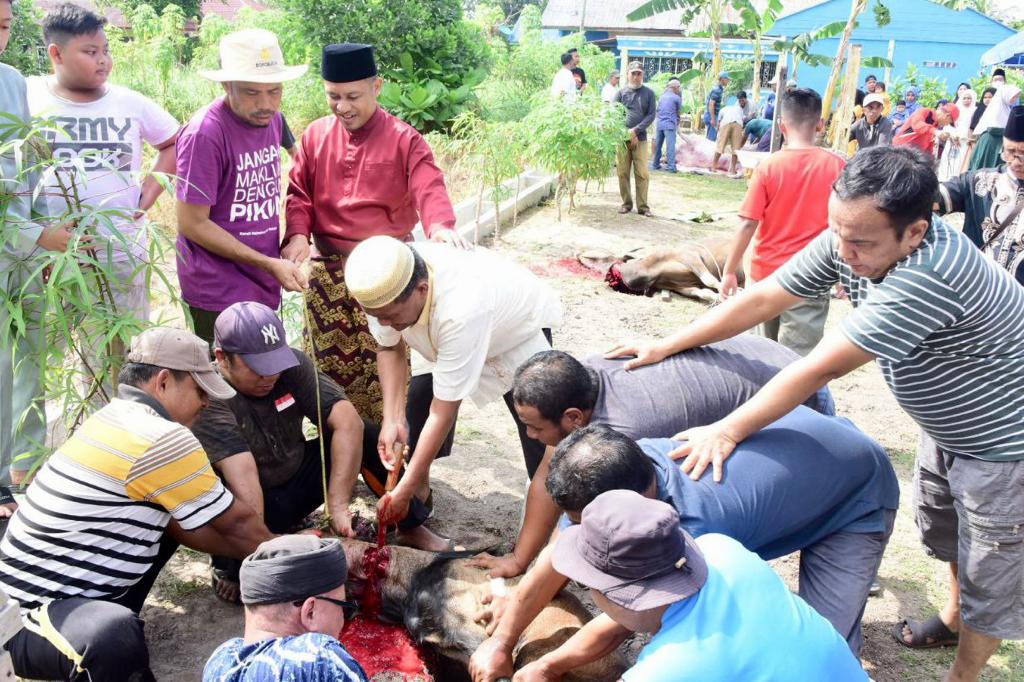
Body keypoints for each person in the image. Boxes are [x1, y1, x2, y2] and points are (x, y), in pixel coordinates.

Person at [607, 145, 1024, 682]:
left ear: (915, 232)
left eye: (860, 243)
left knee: (989, 563)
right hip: (946, 424)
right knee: (945, 532)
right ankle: (950, 615)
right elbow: (764, 299)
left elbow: (817, 369)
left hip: (1002, 441)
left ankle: (962, 676)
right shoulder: (856, 234)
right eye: (838, 233)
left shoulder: (929, 275)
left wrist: (728, 428)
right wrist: (667, 344)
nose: (843, 251)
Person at [475, 414, 896, 677]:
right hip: (811, 447)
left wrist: (549, 664)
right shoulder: (624, 471)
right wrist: (503, 640)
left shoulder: (704, 525)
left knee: (833, 642)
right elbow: (566, 560)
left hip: (855, 492)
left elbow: (630, 615)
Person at [0, 327, 273, 682]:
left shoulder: (113, 417)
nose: (207, 402)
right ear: (162, 383)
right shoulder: (161, 436)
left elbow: (188, 526)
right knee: (111, 637)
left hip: (65, 592)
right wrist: (301, 555)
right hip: (24, 621)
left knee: (189, 504)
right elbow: (238, 526)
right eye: (200, 391)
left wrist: (267, 551)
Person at [470, 335, 835, 580]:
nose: (530, 436)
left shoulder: (625, 431)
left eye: (534, 428)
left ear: (573, 419)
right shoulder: (575, 381)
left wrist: (538, 581)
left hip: (794, 392)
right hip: (763, 353)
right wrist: (518, 560)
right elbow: (546, 478)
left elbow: (585, 522)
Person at [193, 303, 453, 603]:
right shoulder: (210, 396)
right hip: (248, 500)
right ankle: (237, 562)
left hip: (295, 474)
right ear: (222, 358)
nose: (270, 376)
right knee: (234, 526)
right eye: (258, 368)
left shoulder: (292, 366)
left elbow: (346, 422)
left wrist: (338, 504)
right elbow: (243, 474)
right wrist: (263, 544)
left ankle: (410, 526)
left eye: (275, 364)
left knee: (367, 433)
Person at [284, 43, 460, 424]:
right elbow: (298, 193)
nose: (342, 106)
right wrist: (297, 234)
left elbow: (429, 187)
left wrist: (441, 228)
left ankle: (386, 462)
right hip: (328, 275)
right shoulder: (314, 137)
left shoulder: (404, 139)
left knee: (387, 373)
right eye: (333, 96)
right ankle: (336, 454)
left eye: (353, 96)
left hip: (388, 276)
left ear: (377, 87)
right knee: (325, 376)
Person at [343, 236, 561, 537]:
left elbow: (443, 411)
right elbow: (389, 348)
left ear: (422, 290)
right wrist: (392, 420)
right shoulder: (384, 286)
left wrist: (401, 490)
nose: (386, 323)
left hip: (515, 335)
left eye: (391, 317)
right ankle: (418, 511)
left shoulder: (462, 307)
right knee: (413, 422)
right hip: (436, 336)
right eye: (379, 316)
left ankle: (545, 532)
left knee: (540, 434)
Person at [533, 490, 868, 681]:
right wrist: (548, 664)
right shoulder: (720, 550)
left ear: (615, 594)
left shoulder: (665, 672)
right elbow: (619, 620)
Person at [29, 3, 178, 325]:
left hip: (123, 250)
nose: (103, 60)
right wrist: (35, 233)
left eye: (106, 50)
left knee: (127, 342)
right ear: (56, 54)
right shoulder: (29, 98)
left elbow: (174, 142)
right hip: (56, 253)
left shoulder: (130, 102)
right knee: (71, 346)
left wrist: (147, 195)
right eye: (90, 51)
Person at [174, 29, 309, 343]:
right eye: (251, 92)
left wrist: (293, 239)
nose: (265, 103)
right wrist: (267, 263)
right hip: (218, 289)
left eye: (274, 91)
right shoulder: (205, 134)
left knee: (265, 378)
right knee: (225, 386)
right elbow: (192, 223)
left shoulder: (272, 120)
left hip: (263, 279)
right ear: (226, 85)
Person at [0, 0, 77, 512]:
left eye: (4, 25)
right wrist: (34, 235)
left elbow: (25, 170)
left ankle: (19, 473)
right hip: (20, 238)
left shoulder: (10, 81)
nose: (0, 36)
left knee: (26, 361)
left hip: (22, 256)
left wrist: (42, 240)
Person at [719, 88, 845, 357]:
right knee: (798, 362)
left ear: (781, 125)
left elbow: (747, 224)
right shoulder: (837, 167)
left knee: (761, 356)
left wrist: (730, 270)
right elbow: (844, 227)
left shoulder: (769, 167)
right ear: (821, 124)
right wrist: (845, 274)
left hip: (766, 275)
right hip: (812, 277)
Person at [204, 536, 368, 681]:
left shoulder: (219, 660)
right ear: (310, 612)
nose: (342, 621)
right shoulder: (317, 656)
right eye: (345, 608)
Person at [938, 105, 1024, 286]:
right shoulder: (978, 181)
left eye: (1023, 154)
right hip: (978, 295)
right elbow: (931, 198)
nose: (1016, 162)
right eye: (1009, 152)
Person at [613, 61, 655, 216]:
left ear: (643, 75)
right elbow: (613, 116)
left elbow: (651, 115)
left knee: (642, 173)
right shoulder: (620, 93)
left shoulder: (649, 93)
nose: (636, 77)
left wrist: (635, 131)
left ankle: (643, 207)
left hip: (641, 139)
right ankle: (626, 204)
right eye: (633, 73)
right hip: (622, 140)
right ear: (628, 74)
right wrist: (627, 134)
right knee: (622, 172)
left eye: (639, 74)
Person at [969, 73, 1020, 170]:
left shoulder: (1007, 110)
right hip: (991, 142)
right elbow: (994, 128)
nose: (1014, 99)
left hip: (1000, 144)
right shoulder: (996, 110)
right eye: (1013, 96)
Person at [938, 89, 976, 180]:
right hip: (952, 138)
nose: (966, 100)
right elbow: (948, 124)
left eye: (969, 98)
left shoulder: (975, 110)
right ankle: (942, 179)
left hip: (964, 141)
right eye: (964, 98)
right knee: (947, 159)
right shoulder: (956, 110)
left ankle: (955, 180)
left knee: (960, 161)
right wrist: (951, 136)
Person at [893, 102, 958, 154]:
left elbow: (928, 148)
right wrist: (935, 132)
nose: (946, 124)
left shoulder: (936, 126)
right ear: (947, 116)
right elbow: (917, 124)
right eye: (949, 122)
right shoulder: (925, 111)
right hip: (899, 151)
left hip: (913, 155)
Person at [650, 78, 681, 173]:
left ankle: (655, 164)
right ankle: (671, 166)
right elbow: (678, 112)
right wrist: (677, 122)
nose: (679, 89)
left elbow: (658, 110)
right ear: (674, 87)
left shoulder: (662, 97)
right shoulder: (676, 98)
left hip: (660, 123)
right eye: (679, 87)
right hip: (670, 124)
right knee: (670, 146)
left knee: (658, 145)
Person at [710, 98, 743, 175]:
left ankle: (713, 167)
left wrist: (719, 132)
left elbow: (719, 123)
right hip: (738, 124)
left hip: (725, 123)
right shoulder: (739, 109)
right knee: (736, 148)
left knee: (720, 146)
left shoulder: (723, 109)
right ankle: (732, 169)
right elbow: (742, 119)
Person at [704, 71, 729, 141]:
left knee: (710, 138)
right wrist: (713, 119)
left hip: (711, 115)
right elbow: (711, 104)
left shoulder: (719, 89)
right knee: (711, 140)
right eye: (727, 79)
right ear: (722, 79)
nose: (728, 81)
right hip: (711, 115)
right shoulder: (717, 90)